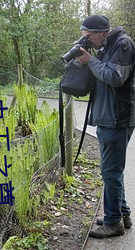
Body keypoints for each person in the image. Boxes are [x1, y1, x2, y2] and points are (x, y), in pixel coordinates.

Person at [77, 15, 135, 238]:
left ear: (101, 32)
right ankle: (122, 214)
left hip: (117, 118)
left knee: (110, 171)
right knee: (112, 171)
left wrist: (90, 61)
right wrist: (87, 59)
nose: (88, 41)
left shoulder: (123, 44)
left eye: (89, 37)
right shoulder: (106, 46)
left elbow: (114, 77)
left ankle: (113, 223)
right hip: (107, 117)